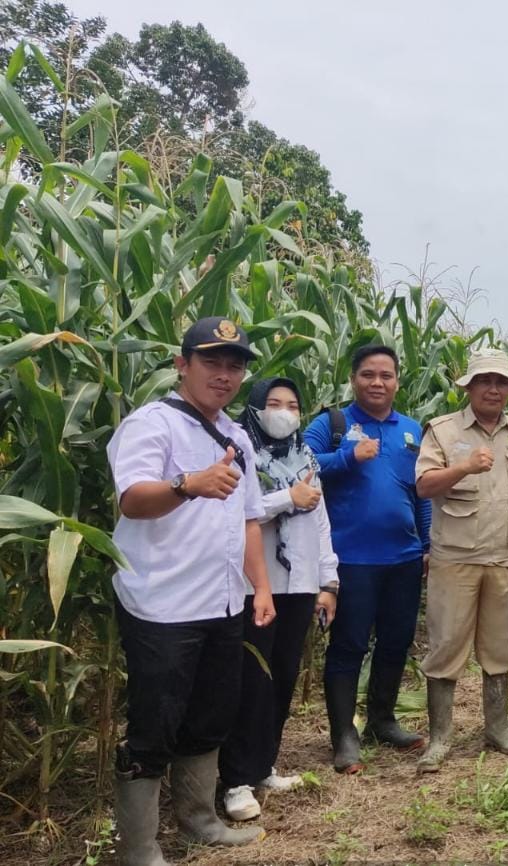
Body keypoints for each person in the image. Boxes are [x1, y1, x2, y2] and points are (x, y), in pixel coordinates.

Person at [108, 317, 273, 866]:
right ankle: (139, 847)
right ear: (182, 365)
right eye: (212, 363)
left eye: (235, 365)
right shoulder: (151, 424)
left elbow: (251, 519)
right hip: (161, 605)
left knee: (210, 714)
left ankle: (199, 818)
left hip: (222, 602)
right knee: (155, 724)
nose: (225, 375)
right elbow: (132, 499)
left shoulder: (238, 435)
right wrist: (189, 484)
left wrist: (261, 588)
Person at [414, 349, 508, 771]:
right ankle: (439, 738)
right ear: (468, 387)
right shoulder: (442, 431)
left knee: (499, 646)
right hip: (455, 557)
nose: (493, 388)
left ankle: (498, 728)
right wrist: (464, 467)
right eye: (484, 381)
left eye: (501, 382)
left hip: (506, 558)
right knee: (446, 645)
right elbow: (423, 486)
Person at [304, 345, 432, 773]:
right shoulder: (333, 424)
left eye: (386, 375)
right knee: (349, 646)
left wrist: (427, 543)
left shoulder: (411, 430)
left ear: (398, 380)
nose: (377, 383)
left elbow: (421, 493)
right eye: (368, 375)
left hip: (404, 558)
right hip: (351, 560)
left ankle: (382, 719)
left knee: (396, 642)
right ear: (353, 378)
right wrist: (347, 456)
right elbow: (299, 469)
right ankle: (344, 735)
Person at [219, 378, 340, 820]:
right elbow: (237, 509)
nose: (284, 412)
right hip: (255, 585)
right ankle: (234, 780)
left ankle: (263, 764)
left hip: (300, 582)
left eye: (292, 404)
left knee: (283, 677)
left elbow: (321, 521)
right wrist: (288, 497)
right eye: (273, 403)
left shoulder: (305, 456)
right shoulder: (238, 452)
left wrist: (329, 583)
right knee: (250, 680)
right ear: (255, 407)